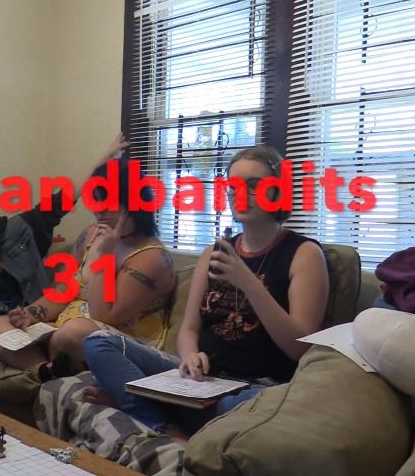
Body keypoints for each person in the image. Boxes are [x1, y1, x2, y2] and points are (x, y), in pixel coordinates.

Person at [81, 145, 330, 437]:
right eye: (233, 186)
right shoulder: (214, 252)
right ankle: (167, 423)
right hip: (201, 380)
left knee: (242, 408)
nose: (240, 194)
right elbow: (188, 329)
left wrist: (248, 282)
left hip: (257, 387)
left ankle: (146, 406)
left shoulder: (304, 254)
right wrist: (190, 357)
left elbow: (299, 347)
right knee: (99, 343)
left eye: (254, 185)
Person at [0, 157, 176, 380]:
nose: (100, 211)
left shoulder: (152, 257)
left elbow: (104, 316)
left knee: (72, 333)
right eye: (96, 201)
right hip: (63, 331)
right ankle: (46, 370)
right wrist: (29, 314)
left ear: (134, 203)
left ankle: (51, 365)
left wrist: (105, 255)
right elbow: (64, 289)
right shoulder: (92, 234)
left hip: (112, 341)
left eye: (109, 202)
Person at [0, 135, 131, 338]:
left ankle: (7, 336)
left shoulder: (23, 227)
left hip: (29, 313)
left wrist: (104, 158)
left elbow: (65, 197)